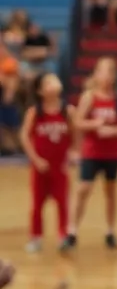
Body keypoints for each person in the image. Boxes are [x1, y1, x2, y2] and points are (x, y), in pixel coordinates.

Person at [71, 57, 117, 249]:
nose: (106, 75)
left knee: (111, 191)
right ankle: (72, 230)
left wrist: (113, 131)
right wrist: (94, 125)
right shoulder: (89, 97)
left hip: (113, 153)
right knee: (83, 189)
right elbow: (78, 122)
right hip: (92, 152)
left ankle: (110, 231)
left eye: (110, 71)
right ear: (95, 74)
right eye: (102, 71)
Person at [20, 72, 75, 253]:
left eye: (55, 79)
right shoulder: (35, 112)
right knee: (37, 204)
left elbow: (75, 135)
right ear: (41, 91)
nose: (54, 83)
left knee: (62, 203)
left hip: (60, 166)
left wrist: (74, 153)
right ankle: (36, 237)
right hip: (40, 167)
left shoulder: (68, 111)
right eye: (48, 82)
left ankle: (63, 236)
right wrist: (35, 159)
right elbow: (24, 136)